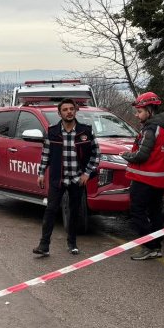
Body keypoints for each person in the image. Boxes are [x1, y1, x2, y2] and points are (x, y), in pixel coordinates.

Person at [32, 98, 99, 257]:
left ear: (75, 111)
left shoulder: (86, 131)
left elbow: (96, 155)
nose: (69, 112)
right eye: (65, 109)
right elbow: (46, 154)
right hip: (58, 179)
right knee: (50, 210)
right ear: (59, 113)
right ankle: (44, 245)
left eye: (71, 109)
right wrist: (41, 173)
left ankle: (72, 243)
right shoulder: (52, 131)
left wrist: (87, 173)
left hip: (77, 179)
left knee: (74, 212)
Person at [122, 92, 164, 261]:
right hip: (160, 179)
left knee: (137, 212)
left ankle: (150, 246)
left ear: (150, 110)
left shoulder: (150, 129)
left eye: (140, 112)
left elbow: (142, 155)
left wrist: (126, 155)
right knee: (155, 213)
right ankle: (156, 247)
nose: (137, 115)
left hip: (145, 180)